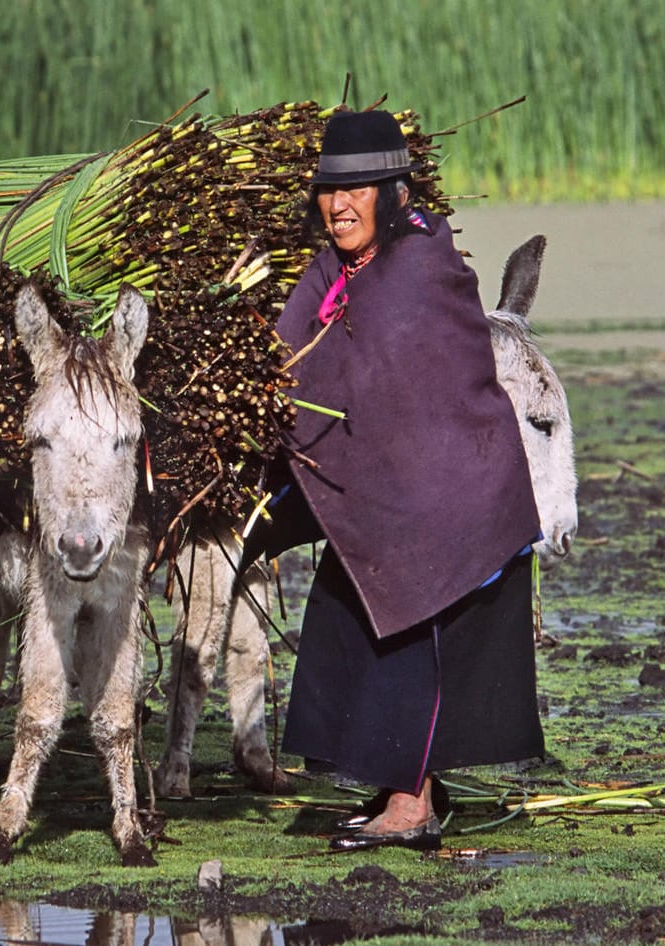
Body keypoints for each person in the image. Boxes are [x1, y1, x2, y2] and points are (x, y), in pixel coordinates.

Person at [249, 109, 545, 851]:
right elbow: (287, 367)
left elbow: (373, 389)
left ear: (391, 191)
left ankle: (411, 811)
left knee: (414, 631)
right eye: (327, 191)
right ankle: (404, 791)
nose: (337, 205)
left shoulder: (419, 267)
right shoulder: (337, 269)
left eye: (356, 191)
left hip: (451, 507)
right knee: (351, 619)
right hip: (399, 504)